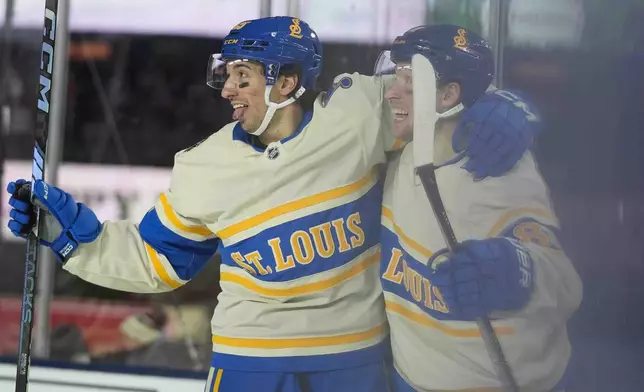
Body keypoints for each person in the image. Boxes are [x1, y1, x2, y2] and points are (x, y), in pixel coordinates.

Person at [7, 17, 539, 391]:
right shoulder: (203, 166)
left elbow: (436, 91)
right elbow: (157, 261)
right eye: (227, 75)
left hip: (351, 358)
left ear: (287, 82)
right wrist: (73, 236)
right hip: (251, 363)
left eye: (244, 77)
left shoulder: (356, 112)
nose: (228, 90)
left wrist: (499, 108)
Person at [377, 24, 583, 391]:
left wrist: (519, 269)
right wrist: (504, 98)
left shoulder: (498, 167)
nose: (392, 93)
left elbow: (566, 283)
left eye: (410, 82)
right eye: (395, 77)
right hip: (410, 377)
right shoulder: (401, 148)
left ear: (449, 95)